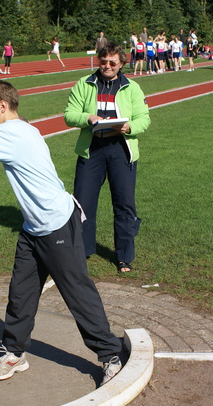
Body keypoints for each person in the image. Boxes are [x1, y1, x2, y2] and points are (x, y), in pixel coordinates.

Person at [0, 80, 126, 386]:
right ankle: (14, 353)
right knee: (20, 294)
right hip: (33, 228)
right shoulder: (23, 127)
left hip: (56, 223)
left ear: (2, 106)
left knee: (77, 292)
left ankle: (111, 356)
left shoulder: (8, 132)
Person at [63, 42, 151, 273]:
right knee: (83, 204)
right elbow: (69, 115)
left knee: (124, 204)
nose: (107, 66)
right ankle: (82, 251)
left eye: (113, 62)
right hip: (92, 149)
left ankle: (124, 256)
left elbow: (144, 118)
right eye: (104, 61)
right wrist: (88, 118)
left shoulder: (132, 87)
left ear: (121, 64)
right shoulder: (84, 84)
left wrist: (129, 127)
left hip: (121, 150)